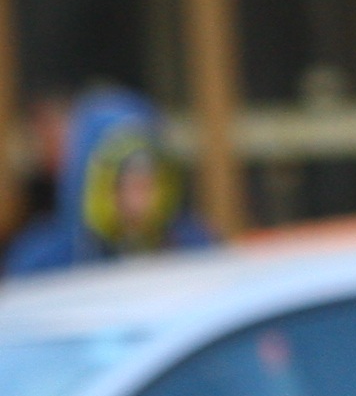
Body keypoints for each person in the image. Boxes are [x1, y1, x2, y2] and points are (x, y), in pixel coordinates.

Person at [8, 89, 213, 275]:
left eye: (150, 174)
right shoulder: (43, 260)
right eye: (122, 176)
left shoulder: (195, 246)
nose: (139, 190)